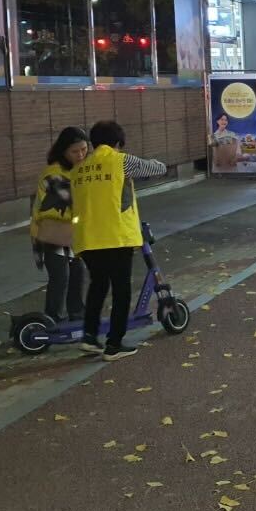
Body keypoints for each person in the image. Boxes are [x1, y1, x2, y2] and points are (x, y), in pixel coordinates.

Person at [70, 121, 168, 361]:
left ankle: (90, 338)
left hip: (87, 240)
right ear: (117, 142)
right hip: (116, 236)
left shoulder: (80, 169)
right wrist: (154, 161)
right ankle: (114, 345)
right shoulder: (121, 161)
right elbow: (157, 169)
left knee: (98, 286)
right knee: (121, 290)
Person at [30, 126, 89, 323]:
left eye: (83, 149)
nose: (80, 155)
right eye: (75, 151)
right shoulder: (53, 173)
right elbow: (72, 200)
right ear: (63, 151)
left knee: (77, 272)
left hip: (72, 234)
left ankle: (76, 312)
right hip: (53, 234)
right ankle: (51, 318)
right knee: (60, 277)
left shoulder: (80, 168)